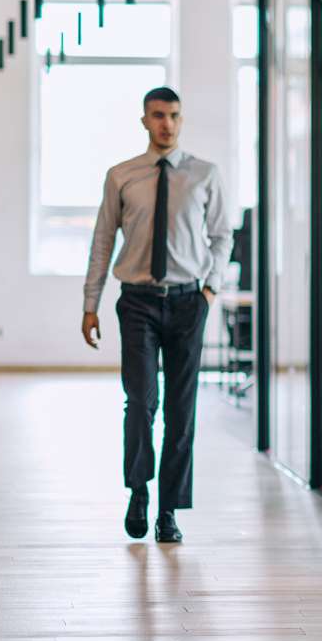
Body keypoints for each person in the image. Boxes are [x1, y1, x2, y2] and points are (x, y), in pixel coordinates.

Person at [80, 86, 232, 544]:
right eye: (158, 115)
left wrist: (210, 290)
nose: (166, 123)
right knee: (142, 403)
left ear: (182, 120)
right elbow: (103, 242)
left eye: (174, 116)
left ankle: (169, 510)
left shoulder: (205, 174)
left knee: (182, 411)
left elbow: (222, 237)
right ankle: (138, 490)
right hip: (139, 302)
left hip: (189, 302)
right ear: (144, 120)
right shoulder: (121, 176)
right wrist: (90, 303)